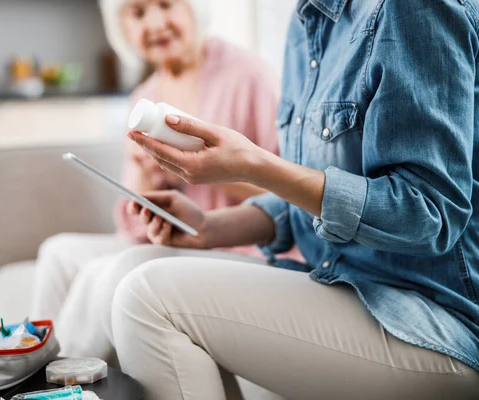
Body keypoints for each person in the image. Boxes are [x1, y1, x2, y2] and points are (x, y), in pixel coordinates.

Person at [110, 0, 479, 399]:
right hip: (341, 283)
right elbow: (310, 194)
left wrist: (253, 166)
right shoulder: (309, 21)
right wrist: (211, 227)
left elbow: (428, 215)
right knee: (133, 264)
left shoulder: (415, 10)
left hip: (429, 319)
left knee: (145, 296)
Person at [30, 0, 283, 360]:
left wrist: (205, 171)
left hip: (241, 245)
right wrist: (148, 178)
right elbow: (131, 225)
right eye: (137, 13)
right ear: (123, 28)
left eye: (166, 4)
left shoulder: (250, 76)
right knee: (57, 252)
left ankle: (59, 382)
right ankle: (31, 370)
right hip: (175, 242)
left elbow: (287, 185)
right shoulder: (144, 98)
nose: (155, 23)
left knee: (99, 274)